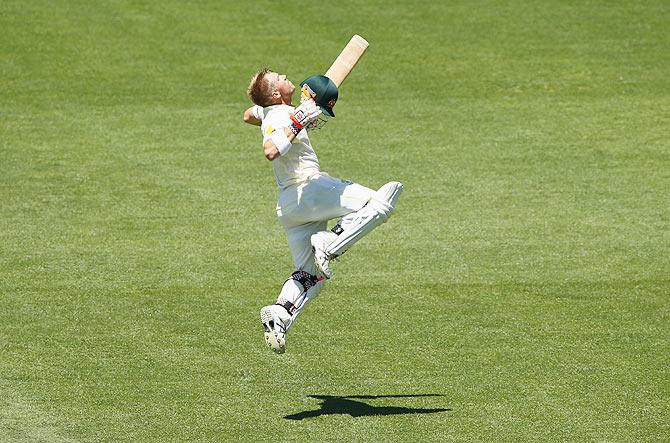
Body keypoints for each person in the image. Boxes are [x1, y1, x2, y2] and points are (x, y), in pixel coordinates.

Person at [243, 68, 403, 353]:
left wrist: (294, 115)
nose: (286, 76)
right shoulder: (282, 116)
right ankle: (330, 242)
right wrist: (298, 119)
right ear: (277, 94)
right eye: (280, 77)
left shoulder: (269, 111)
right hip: (309, 188)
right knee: (380, 202)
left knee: (311, 276)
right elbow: (270, 150)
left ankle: (280, 314)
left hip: (290, 207)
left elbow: (248, 114)